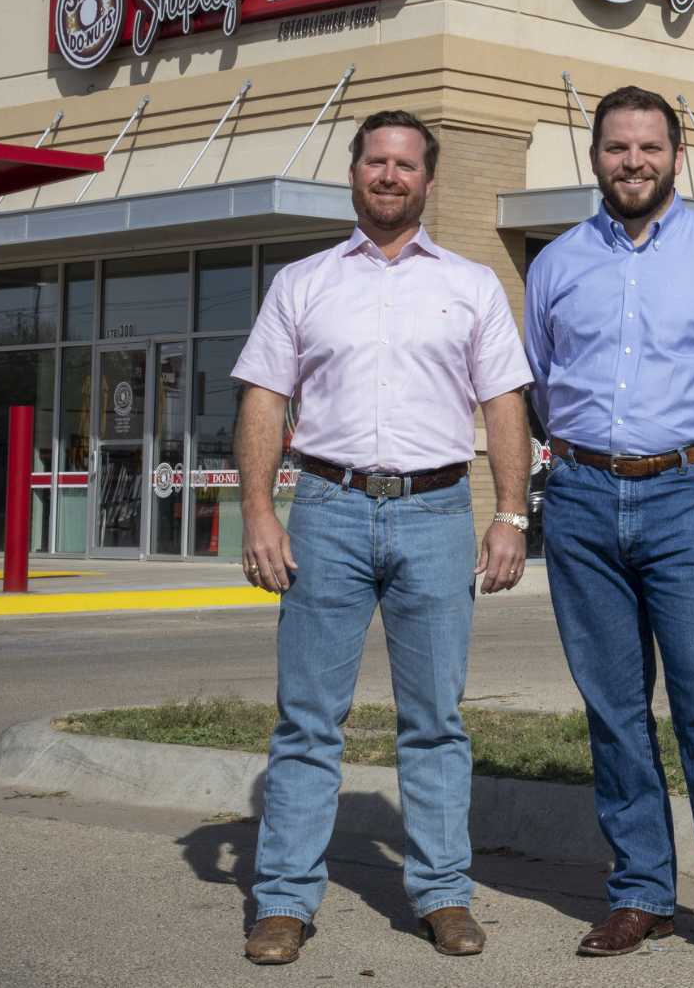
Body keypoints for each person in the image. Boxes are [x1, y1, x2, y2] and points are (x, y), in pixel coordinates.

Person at [232, 110, 533, 966]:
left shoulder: (472, 284)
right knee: (306, 720)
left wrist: (511, 514)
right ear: (355, 173)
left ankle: (442, 892)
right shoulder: (303, 281)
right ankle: (285, 899)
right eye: (376, 161)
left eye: (405, 164)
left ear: (428, 181)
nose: (390, 175)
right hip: (325, 510)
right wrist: (260, 510)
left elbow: (505, 403)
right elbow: (263, 398)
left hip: (437, 514)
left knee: (435, 719)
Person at [525, 85, 694, 974]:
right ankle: (640, 891)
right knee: (613, 706)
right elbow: (538, 379)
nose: (632, 161)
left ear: (677, 154)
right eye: (616, 148)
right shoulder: (556, 263)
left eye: (649, 147)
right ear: (594, 156)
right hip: (583, 501)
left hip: (686, 495)